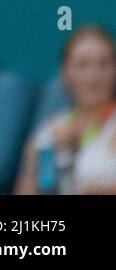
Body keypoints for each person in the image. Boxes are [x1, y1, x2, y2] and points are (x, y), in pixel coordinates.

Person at [15, 24, 116, 195]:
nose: (93, 76)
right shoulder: (46, 134)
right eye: (82, 65)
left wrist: (93, 190)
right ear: (65, 72)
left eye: (104, 64)